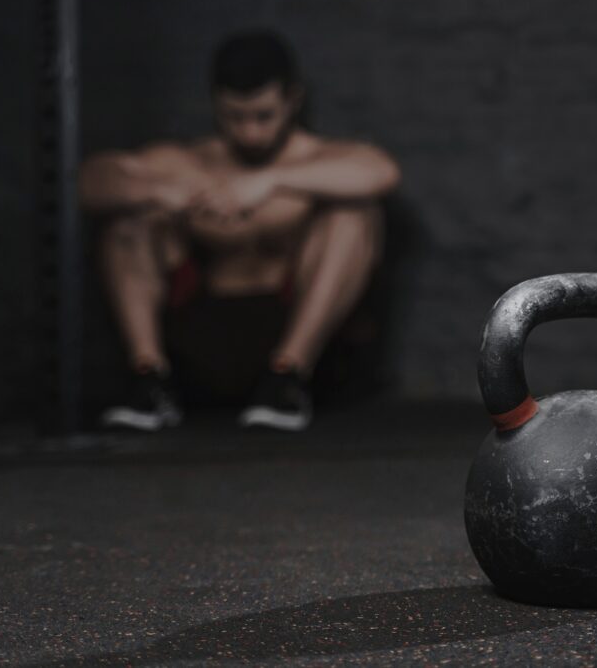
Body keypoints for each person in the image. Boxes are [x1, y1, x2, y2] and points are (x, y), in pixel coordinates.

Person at [79, 31, 400, 432]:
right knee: (127, 215)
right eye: (234, 117)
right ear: (215, 104)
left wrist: (270, 180)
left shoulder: (319, 160)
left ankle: (286, 380)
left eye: (264, 116)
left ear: (293, 100)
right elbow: (90, 182)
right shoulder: (189, 162)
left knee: (354, 214)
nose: (250, 132)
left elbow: (382, 171)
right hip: (200, 342)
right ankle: (148, 381)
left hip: (291, 336)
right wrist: (161, 190)